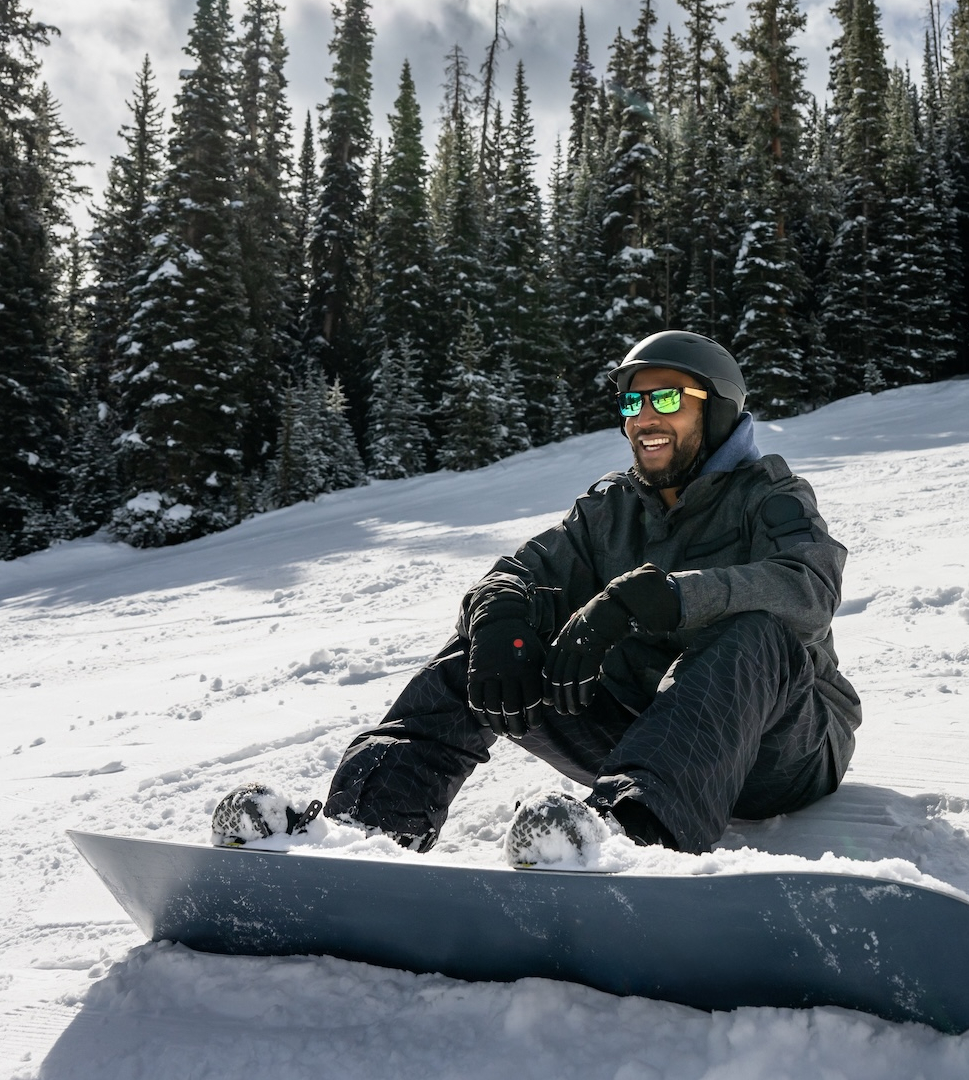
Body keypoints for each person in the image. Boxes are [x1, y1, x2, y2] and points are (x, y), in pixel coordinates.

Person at [224, 331, 861, 856]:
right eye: (631, 405)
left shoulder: (770, 496)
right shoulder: (613, 507)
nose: (644, 419)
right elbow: (519, 571)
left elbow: (809, 590)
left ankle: (623, 839)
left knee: (754, 630)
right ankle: (369, 830)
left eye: (667, 400)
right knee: (493, 639)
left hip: (786, 751)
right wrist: (501, 615)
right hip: (650, 735)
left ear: (716, 409)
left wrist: (665, 596)